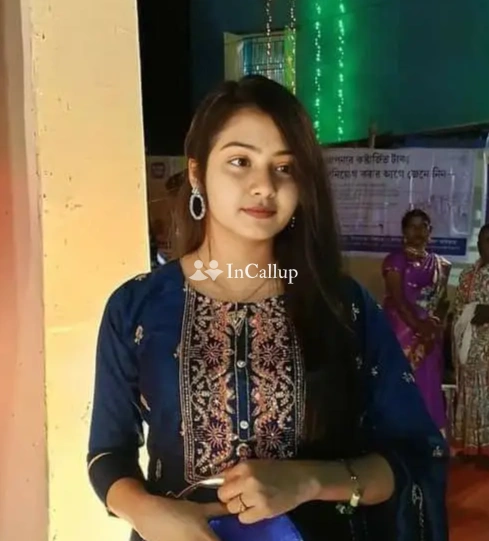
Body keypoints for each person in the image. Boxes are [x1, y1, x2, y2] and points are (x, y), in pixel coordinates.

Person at [87, 76, 448, 541]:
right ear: (197, 174)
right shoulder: (136, 306)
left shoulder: (343, 306)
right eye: (240, 162)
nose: (264, 186)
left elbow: (414, 455)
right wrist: (146, 512)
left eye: (284, 167)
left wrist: (310, 480)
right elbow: (107, 453)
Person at [381, 210, 452, 435]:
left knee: (428, 381)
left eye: (423, 226)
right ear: (404, 231)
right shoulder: (395, 261)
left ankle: (429, 436)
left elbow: (443, 301)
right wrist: (418, 326)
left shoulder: (441, 265)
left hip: (429, 335)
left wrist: (433, 323)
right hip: (401, 332)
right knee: (400, 381)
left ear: (430, 231)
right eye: (413, 226)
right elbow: (397, 298)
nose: (418, 231)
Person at [451, 224, 489, 463]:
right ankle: (470, 446)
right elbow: (458, 307)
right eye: (486, 240)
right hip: (468, 347)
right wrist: (469, 313)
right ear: (478, 244)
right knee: (469, 396)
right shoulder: (467, 274)